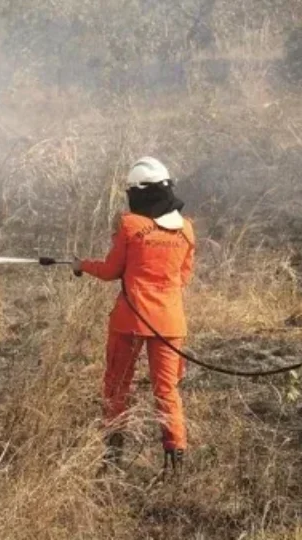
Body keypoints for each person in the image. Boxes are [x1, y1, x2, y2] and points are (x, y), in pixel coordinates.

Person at [72, 157, 195, 472]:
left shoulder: (130, 225)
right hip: (170, 323)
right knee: (167, 390)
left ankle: (112, 460)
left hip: (130, 320)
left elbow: (112, 270)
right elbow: (182, 278)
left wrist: (82, 265)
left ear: (139, 193)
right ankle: (176, 461)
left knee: (116, 386)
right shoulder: (186, 230)